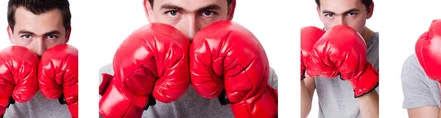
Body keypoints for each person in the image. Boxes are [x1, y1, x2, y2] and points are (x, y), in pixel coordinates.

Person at [98, 0, 278, 117]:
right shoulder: (107, 79)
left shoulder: (263, 79)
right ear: (149, 10)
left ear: (230, 11)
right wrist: (125, 97)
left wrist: (254, 100)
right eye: (173, 13)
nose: (191, 31)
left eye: (207, 13)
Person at [300, 0, 379, 117]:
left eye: (351, 14)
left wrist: (360, 74)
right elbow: (301, 112)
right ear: (319, 13)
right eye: (330, 15)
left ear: (369, 10)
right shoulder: (316, 45)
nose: (340, 25)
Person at [1, 0, 78, 117]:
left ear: (67, 35)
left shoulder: (99, 79)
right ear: (10, 34)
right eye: (27, 36)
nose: (39, 50)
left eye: (51, 36)